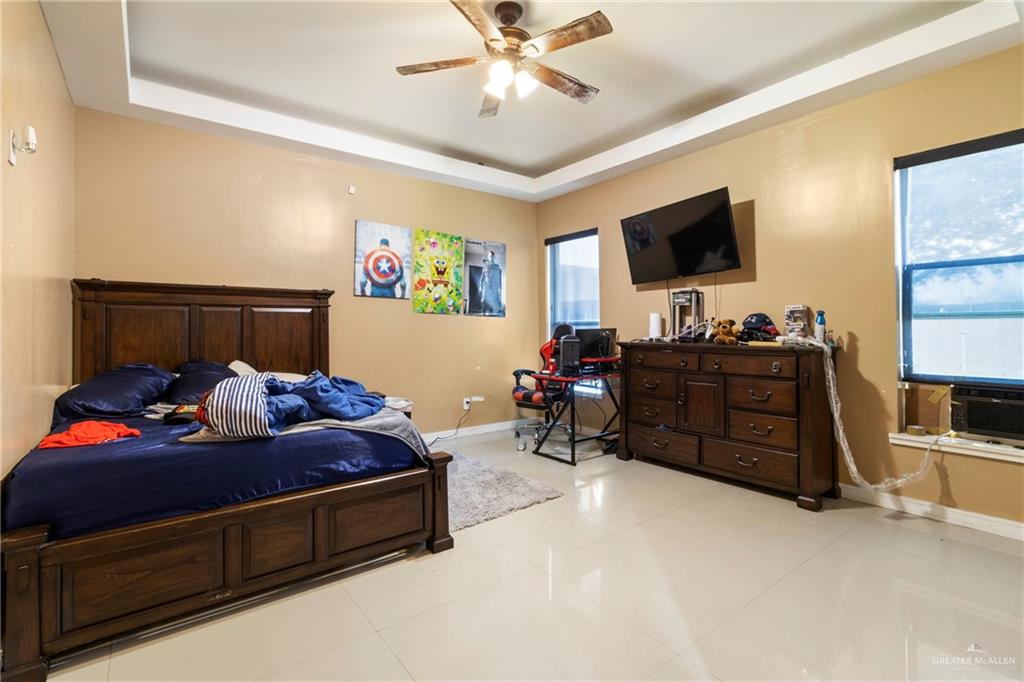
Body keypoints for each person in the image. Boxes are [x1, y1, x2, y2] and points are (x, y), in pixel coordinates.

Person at [480, 250, 504, 315]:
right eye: (490, 256)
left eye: (492, 256)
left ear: (494, 257)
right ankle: (482, 314)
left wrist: (500, 288)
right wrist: (480, 286)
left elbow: (499, 278)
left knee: (493, 302)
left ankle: (491, 316)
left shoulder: (497, 266)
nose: (491, 257)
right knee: (484, 301)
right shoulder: (485, 266)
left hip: (494, 287)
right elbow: (482, 277)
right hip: (486, 285)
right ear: (488, 257)